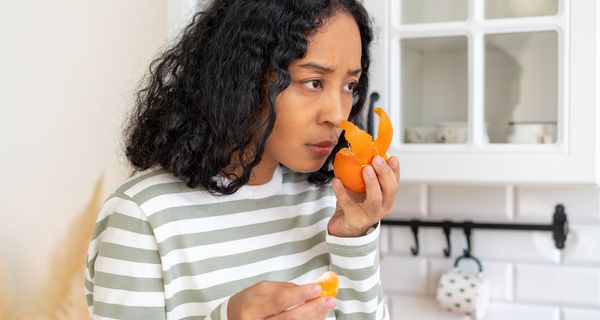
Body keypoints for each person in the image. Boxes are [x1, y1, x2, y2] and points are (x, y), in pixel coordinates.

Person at [85, 0, 399, 319]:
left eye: (350, 86)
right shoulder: (144, 215)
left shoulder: (327, 202)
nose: (337, 114)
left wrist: (353, 237)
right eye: (313, 82)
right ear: (245, 77)